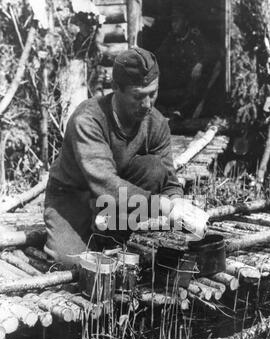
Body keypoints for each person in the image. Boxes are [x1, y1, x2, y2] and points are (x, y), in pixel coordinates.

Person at [44, 47, 208, 266]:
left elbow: (168, 181)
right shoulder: (88, 120)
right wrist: (161, 205)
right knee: (72, 262)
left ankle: (110, 236)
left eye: (153, 93)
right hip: (74, 196)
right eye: (138, 96)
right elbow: (105, 183)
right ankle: (88, 233)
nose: (148, 104)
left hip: (116, 201)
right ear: (115, 88)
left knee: (153, 167)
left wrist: (178, 205)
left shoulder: (156, 123)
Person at [156, 7, 221, 119]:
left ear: (185, 22)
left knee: (195, 86)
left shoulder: (196, 37)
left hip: (192, 79)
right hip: (177, 78)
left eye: (177, 21)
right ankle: (167, 112)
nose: (173, 25)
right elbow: (159, 54)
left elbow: (211, 52)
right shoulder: (170, 38)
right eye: (172, 21)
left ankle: (180, 112)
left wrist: (200, 63)